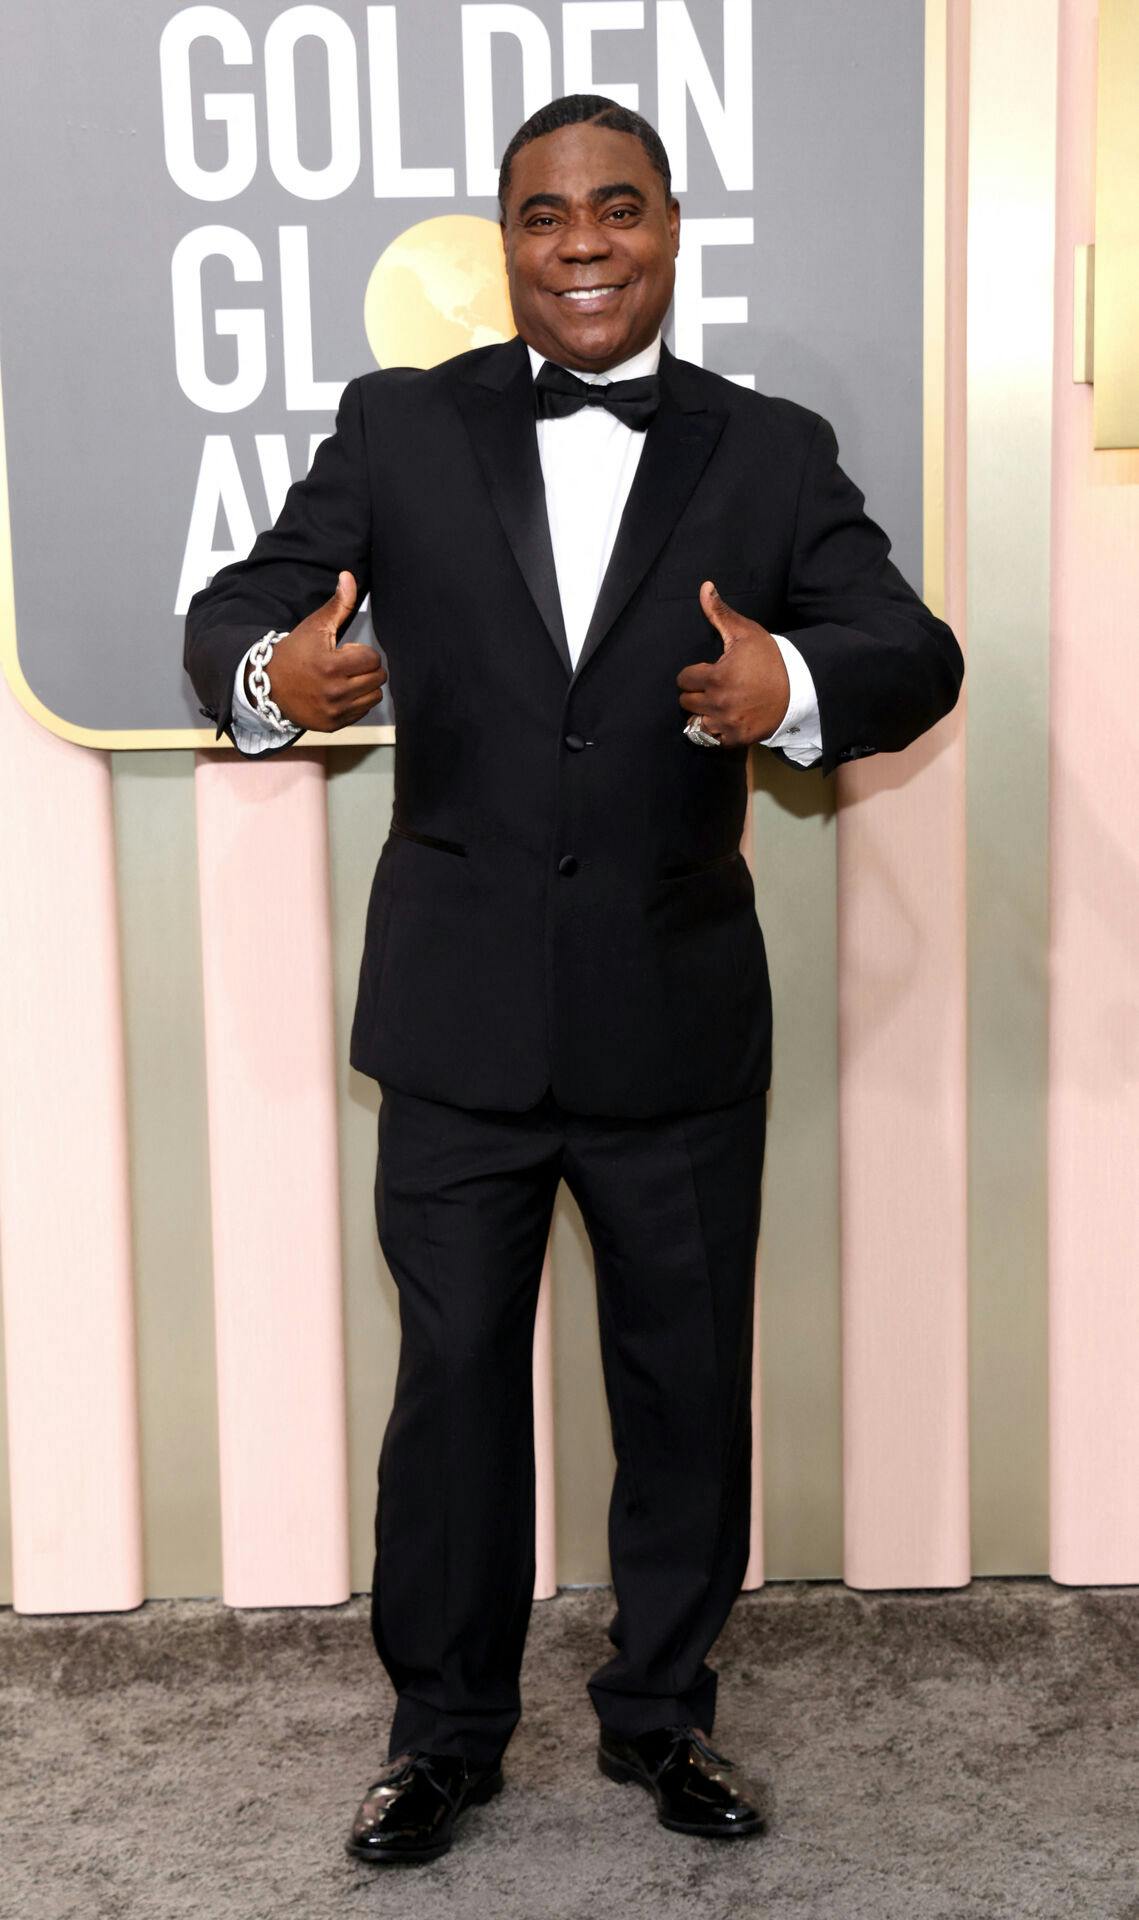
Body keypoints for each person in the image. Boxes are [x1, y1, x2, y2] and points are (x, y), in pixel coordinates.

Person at [184, 94, 962, 1867]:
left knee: (684, 1381)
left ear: (672, 229)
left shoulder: (771, 451)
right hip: (455, 1014)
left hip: (676, 1010)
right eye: (548, 215)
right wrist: (270, 680)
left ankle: (665, 1718)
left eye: (619, 207)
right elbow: (239, 608)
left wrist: (802, 696)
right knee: (452, 1384)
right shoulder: (398, 426)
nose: (586, 240)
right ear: (509, 242)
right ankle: (442, 1735)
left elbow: (909, 646)